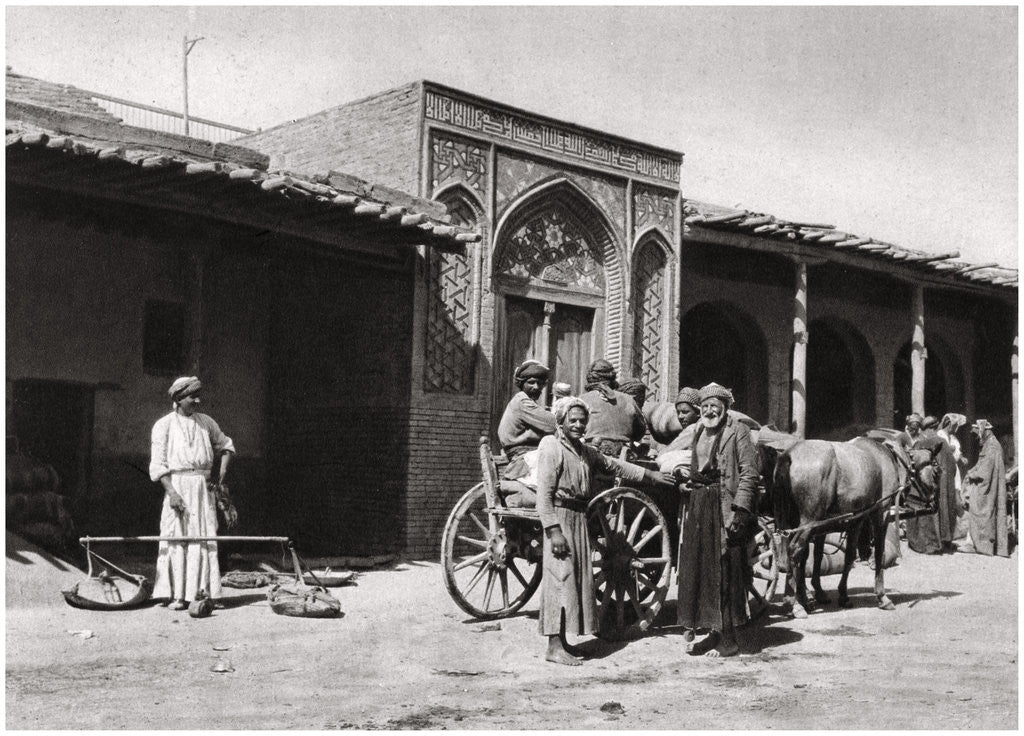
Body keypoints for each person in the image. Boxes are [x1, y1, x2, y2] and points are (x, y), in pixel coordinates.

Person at [535, 396, 672, 666]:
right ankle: (553, 646)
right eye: (572, 421)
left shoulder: (584, 451)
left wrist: (650, 475)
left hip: (578, 517)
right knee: (558, 579)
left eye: (582, 421)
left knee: (572, 581)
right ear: (561, 422)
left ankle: (562, 642)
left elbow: (615, 465)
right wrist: (553, 531)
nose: (578, 425)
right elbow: (544, 496)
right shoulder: (551, 446)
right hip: (561, 517)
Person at [676, 382, 759, 658]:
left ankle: (729, 640)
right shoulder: (699, 430)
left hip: (724, 507)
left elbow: (749, 473)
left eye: (715, 406)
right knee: (703, 572)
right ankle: (713, 632)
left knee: (725, 574)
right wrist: (684, 483)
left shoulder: (738, 431)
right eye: (706, 406)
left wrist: (740, 510)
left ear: (724, 408)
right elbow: (693, 467)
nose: (710, 411)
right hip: (700, 506)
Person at [149, 376, 235, 610]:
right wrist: (172, 493)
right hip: (177, 485)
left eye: (198, 396)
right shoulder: (163, 425)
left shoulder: (206, 422)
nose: (197, 401)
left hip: (202, 488)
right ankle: (176, 595)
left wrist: (221, 473)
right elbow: (158, 465)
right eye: (191, 397)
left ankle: (205, 593)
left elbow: (226, 445)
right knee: (177, 537)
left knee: (204, 537)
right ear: (178, 398)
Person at [905, 417, 958, 554]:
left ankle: (918, 541)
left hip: (919, 485)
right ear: (935, 427)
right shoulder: (941, 442)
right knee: (944, 506)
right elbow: (951, 466)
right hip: (939, 482)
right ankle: (943, 540)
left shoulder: (918, 443)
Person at [961, 419, 1010, 557]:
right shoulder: (988, 444)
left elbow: (985, 471)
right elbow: (981, 464)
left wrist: (972, 474)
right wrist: (972, 471)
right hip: (987, 485)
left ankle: (982, 545)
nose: (977, 436)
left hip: (987, 487)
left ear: (984, 430)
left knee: (980, 512)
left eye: (977, 432)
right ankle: (974, 542)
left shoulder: (992, 446)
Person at [579, 359, 646, 459]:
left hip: (590, 455)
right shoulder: (628, 399)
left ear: (590, 378)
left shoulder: (582, 400)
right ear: (612, 378)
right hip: (623, 457)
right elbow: (640, 431)